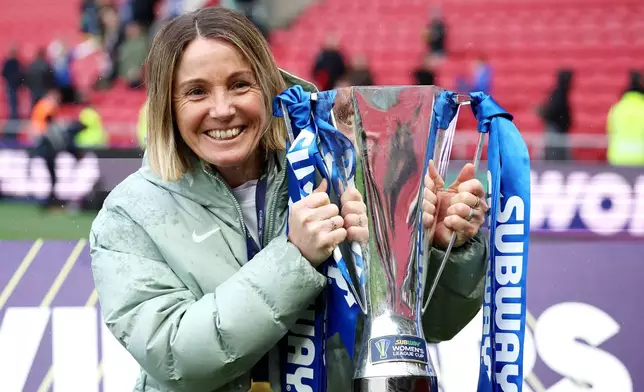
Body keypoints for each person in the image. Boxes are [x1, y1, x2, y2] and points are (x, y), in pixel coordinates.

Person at [89, 7, 489, 392]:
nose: (223, 109)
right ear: (167, 108)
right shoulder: (129, 215)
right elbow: (178, 358)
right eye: (196, 92)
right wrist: (294, 257)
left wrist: (435, 251)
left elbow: (428, 329)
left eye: (239, 84)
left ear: (268, 86)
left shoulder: (337, 170)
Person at [30, 114, 85, 209]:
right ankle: (50, 201)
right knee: (53, 179)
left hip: (48, 156)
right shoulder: (58, 130)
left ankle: (50, 201)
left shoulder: (50, 129)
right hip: (50, 157)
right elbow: (63, 144)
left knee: (53, 179)